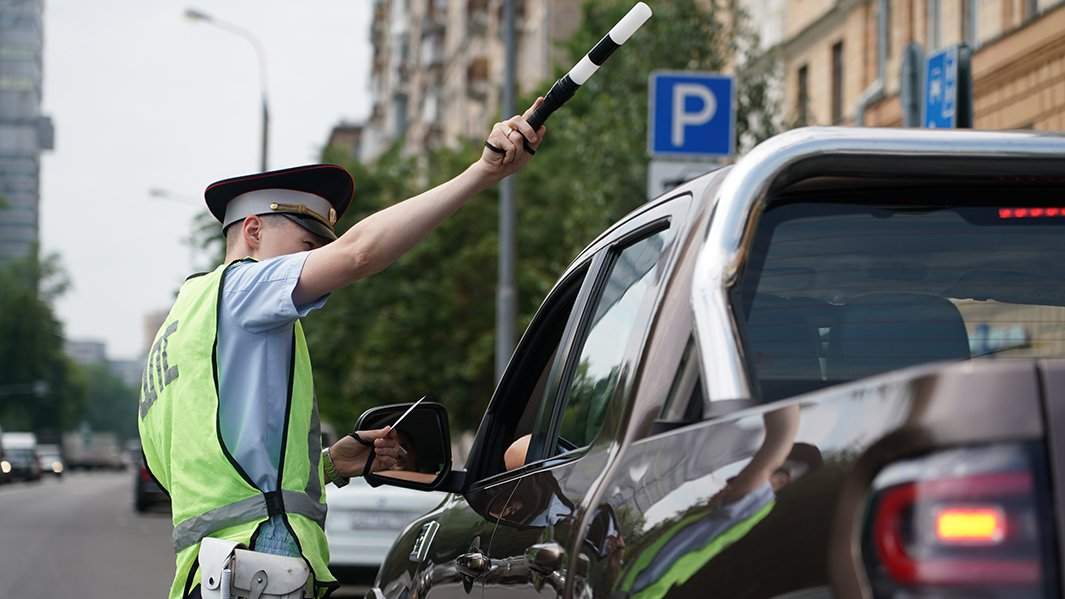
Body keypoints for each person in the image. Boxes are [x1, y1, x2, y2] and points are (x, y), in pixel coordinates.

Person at [138, 100, 546, 599]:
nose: (317, 260)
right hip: (259, 564)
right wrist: (481, 173)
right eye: (308, 245)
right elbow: (358, 254)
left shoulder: (180, 328)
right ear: (253, 230)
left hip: (210, 573)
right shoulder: (244, 289)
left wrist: (331, 464)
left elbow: (206, 472)